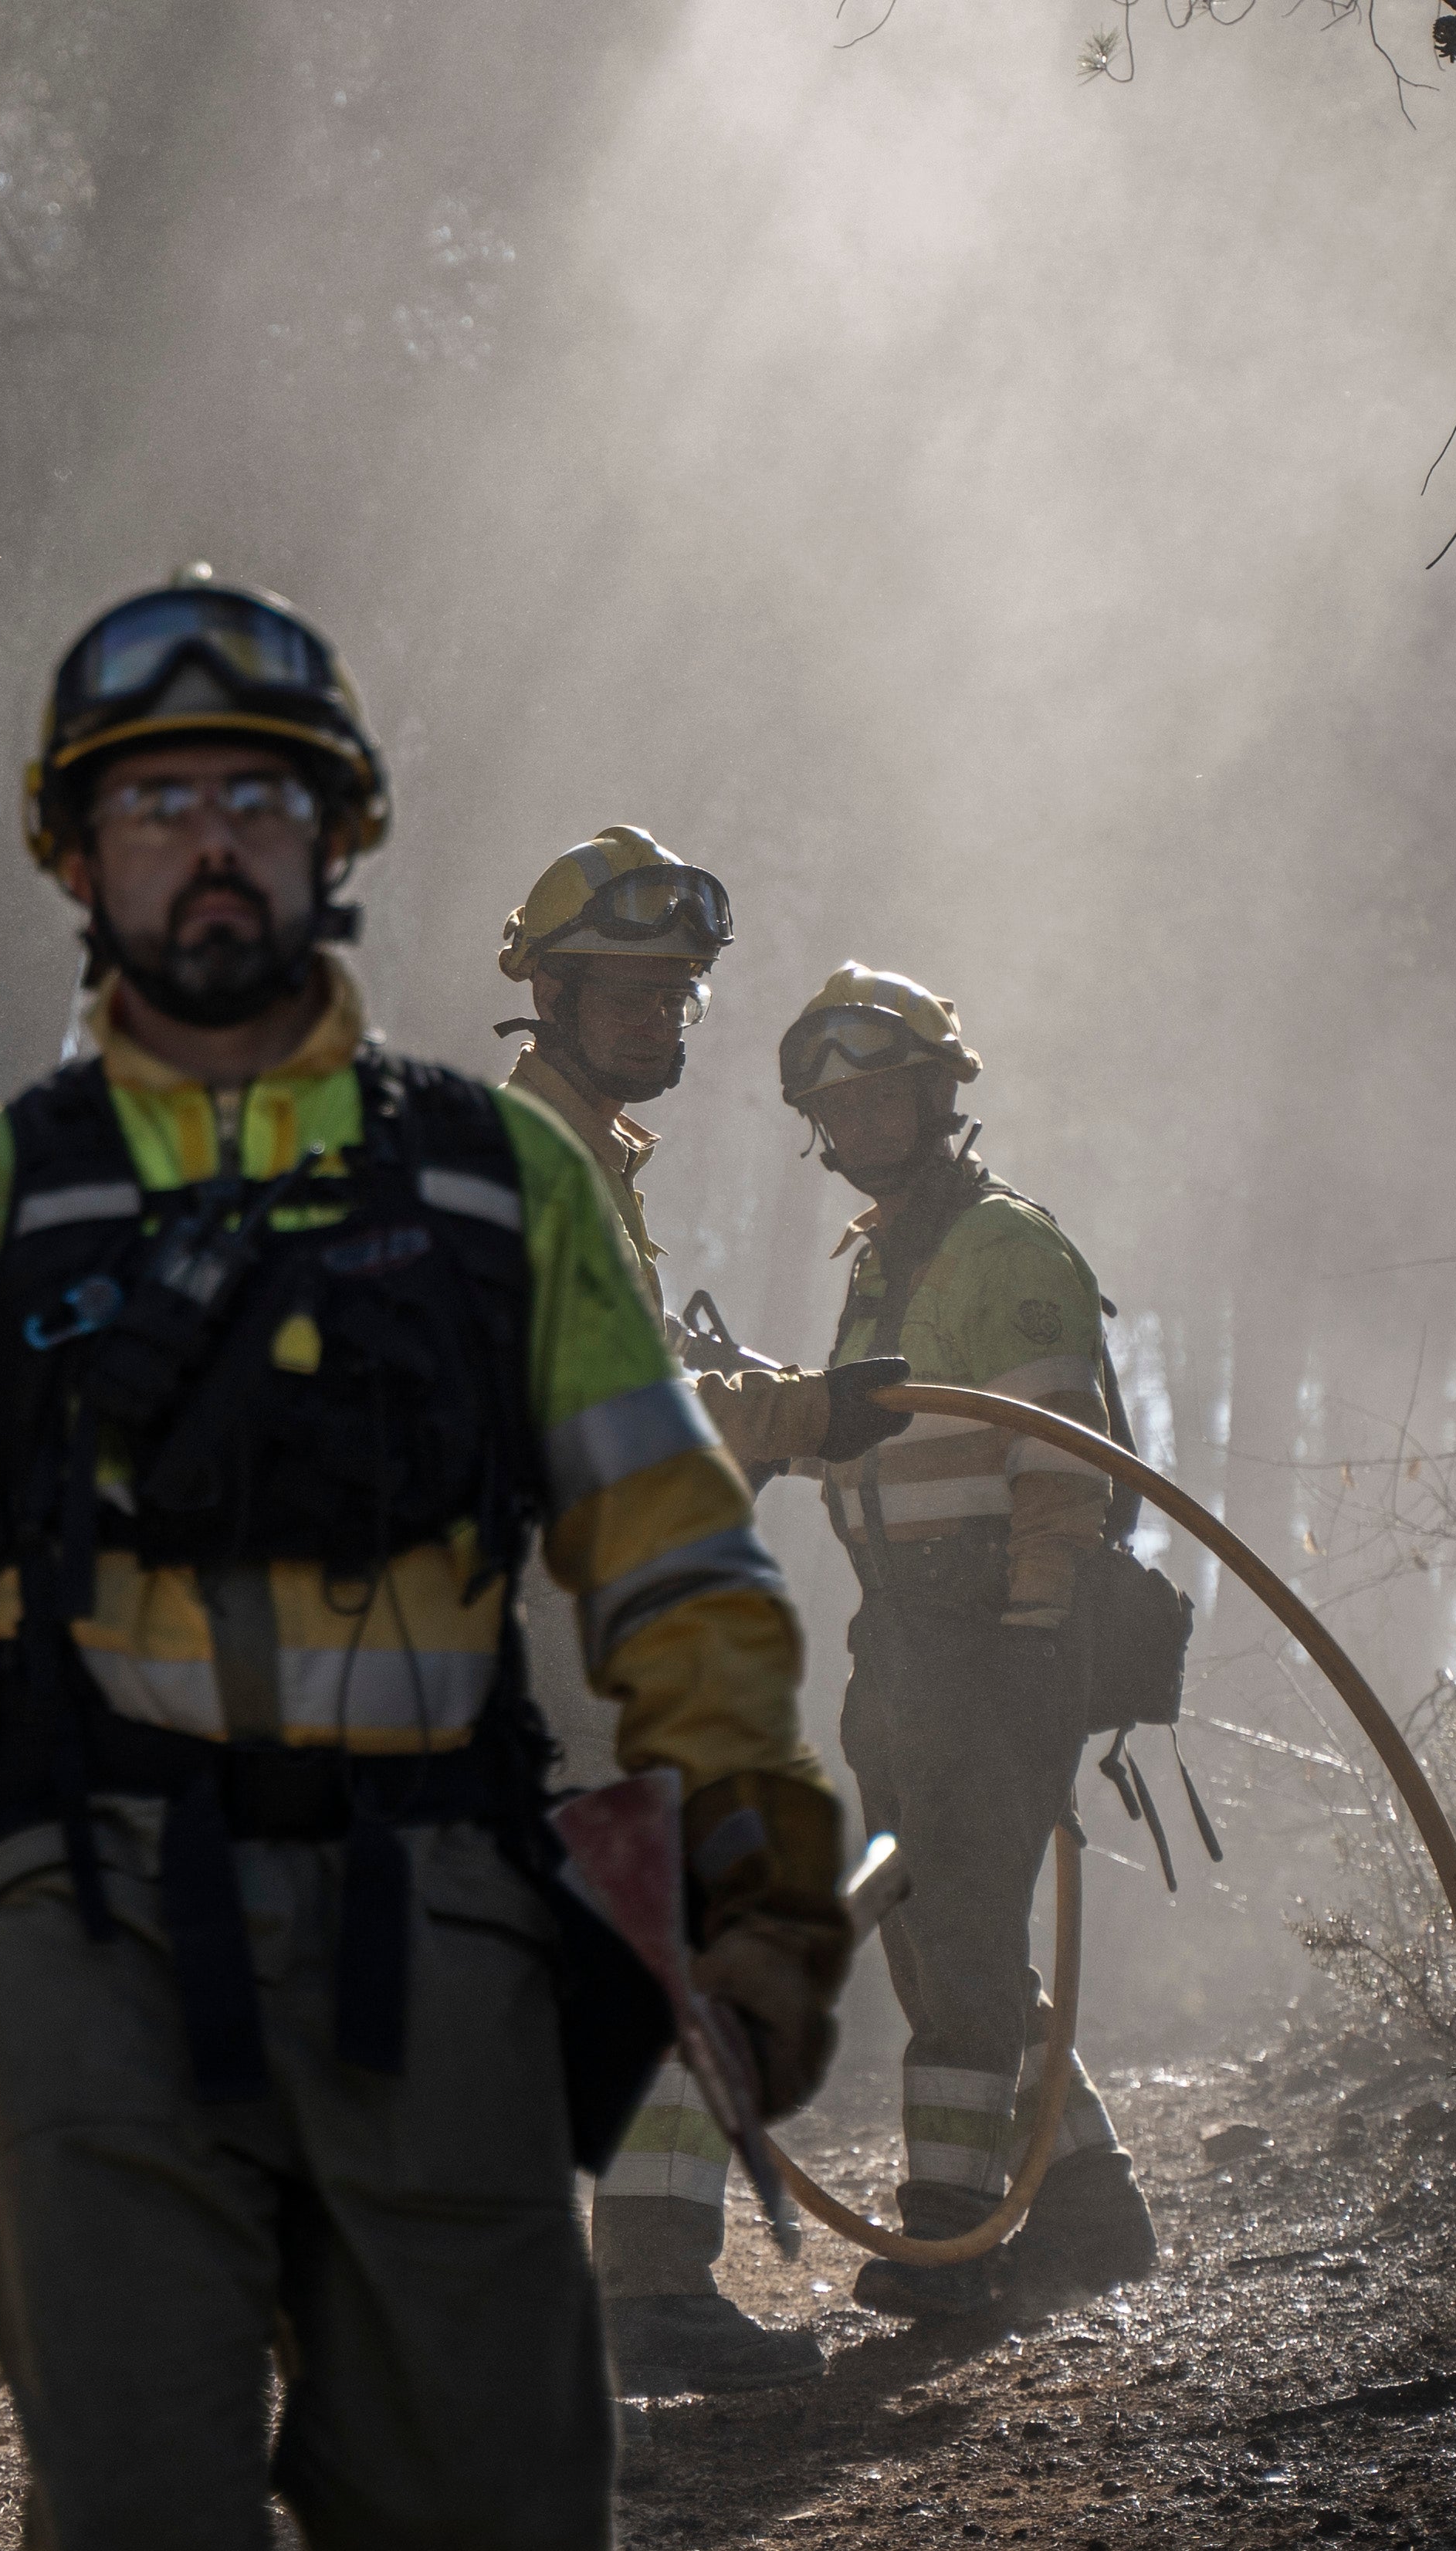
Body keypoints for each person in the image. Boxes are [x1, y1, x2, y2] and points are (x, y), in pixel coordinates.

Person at [0, 572, 852, 2547]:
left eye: (264, 804)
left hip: (438, 1931)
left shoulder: (506, 1181)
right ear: (77, 853)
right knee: (141, 2484)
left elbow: (669, 1543)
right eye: (156, 805)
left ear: (339, 844)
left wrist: (751, 1827)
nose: (212, 848)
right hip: (93, 1944)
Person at [493, 828, 913, 2393]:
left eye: (680, 990)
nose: (663, 1014)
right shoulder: (539, 1159)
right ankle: (648, 2290)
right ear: (546, 988)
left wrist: (796, 1417)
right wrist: (805, 1414)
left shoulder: (580, 1158)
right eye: (627, 987)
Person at [776, 965, 1160, 2321]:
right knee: (935, 1937)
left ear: (939, 1096)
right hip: (902, 1642)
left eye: (884, 1093)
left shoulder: (1005, 1252)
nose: (863, 1121)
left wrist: (1031, 1629)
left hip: (989, 1633)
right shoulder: (885, 1257)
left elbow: (1064, 1463)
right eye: (840, 1106)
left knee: (966, 1935)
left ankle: (953, 2232)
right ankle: (1089, 2202)